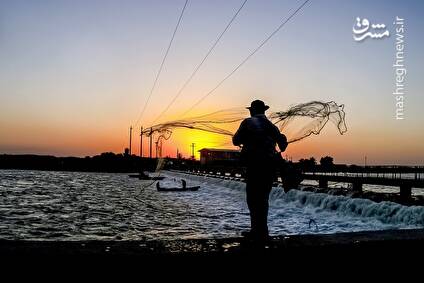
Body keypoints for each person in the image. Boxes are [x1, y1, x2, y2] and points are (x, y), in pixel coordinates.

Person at [232, 99, 288, 242]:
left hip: (254, 166)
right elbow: (282, 146)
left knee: (253, 198)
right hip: (269, 168)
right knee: (263, 199)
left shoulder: (248, 122)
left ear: (252, 111)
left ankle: (256, 232)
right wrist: (282, 139)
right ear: (264, 111)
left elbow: (236, 140)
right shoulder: (272, 126)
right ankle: (262, 232)